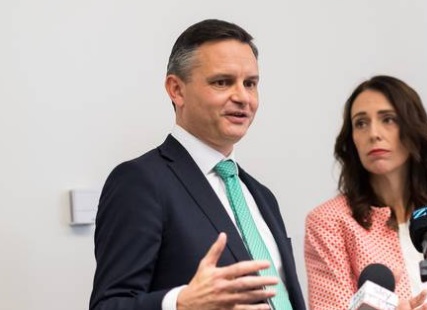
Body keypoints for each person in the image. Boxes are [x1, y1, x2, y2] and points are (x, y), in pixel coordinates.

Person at [90, 19, 305, 310]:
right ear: (176, 90)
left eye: (250, 84)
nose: (242, 97)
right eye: (222, 82)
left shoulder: (262, 196)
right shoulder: (140, 182)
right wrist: (180, 303)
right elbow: (108, 305)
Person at [304, 75, 427, 310]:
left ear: (412, 128)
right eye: (361, 123)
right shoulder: (329, 222)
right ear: (352, 139)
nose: (373, 133)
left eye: (388, 119)